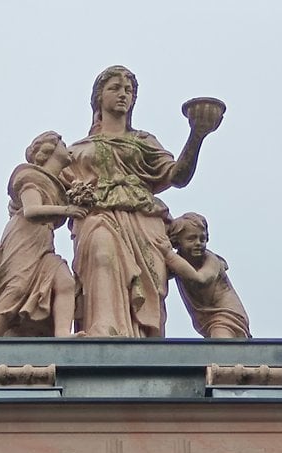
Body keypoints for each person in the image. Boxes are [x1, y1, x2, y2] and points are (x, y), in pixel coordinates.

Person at [60, 65, 220, 337]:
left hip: (146, 224)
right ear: (99, 97)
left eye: (129, 90)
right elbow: (53, 186)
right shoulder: (76, 150)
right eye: (115, 88)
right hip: (98, 216)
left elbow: (177, 176)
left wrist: (197, 135)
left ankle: (144, 345)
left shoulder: (144, 141)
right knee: (102, 254)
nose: (123, 95)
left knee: (152, 285)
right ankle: (102, 328)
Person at [0, 131, 87, 337]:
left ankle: (63, 335)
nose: (68, 149)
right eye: (63, 144)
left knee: (64, 281)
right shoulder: (30, 177)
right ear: (50, 149)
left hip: (43, 242)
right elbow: (32, 211)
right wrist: (67, 211)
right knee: (16, 289)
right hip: (24, 238)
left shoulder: (55, 183)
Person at [156, 212, 251, 338]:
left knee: (222, 347)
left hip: (226, 315)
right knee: (219, 349)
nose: (198, 243)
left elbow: (200, 279)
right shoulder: (179, 263)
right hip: (206, 319)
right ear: (176, 241)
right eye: (191, 239)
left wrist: (168, 255)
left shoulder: (211, 260)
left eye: (203, 238)